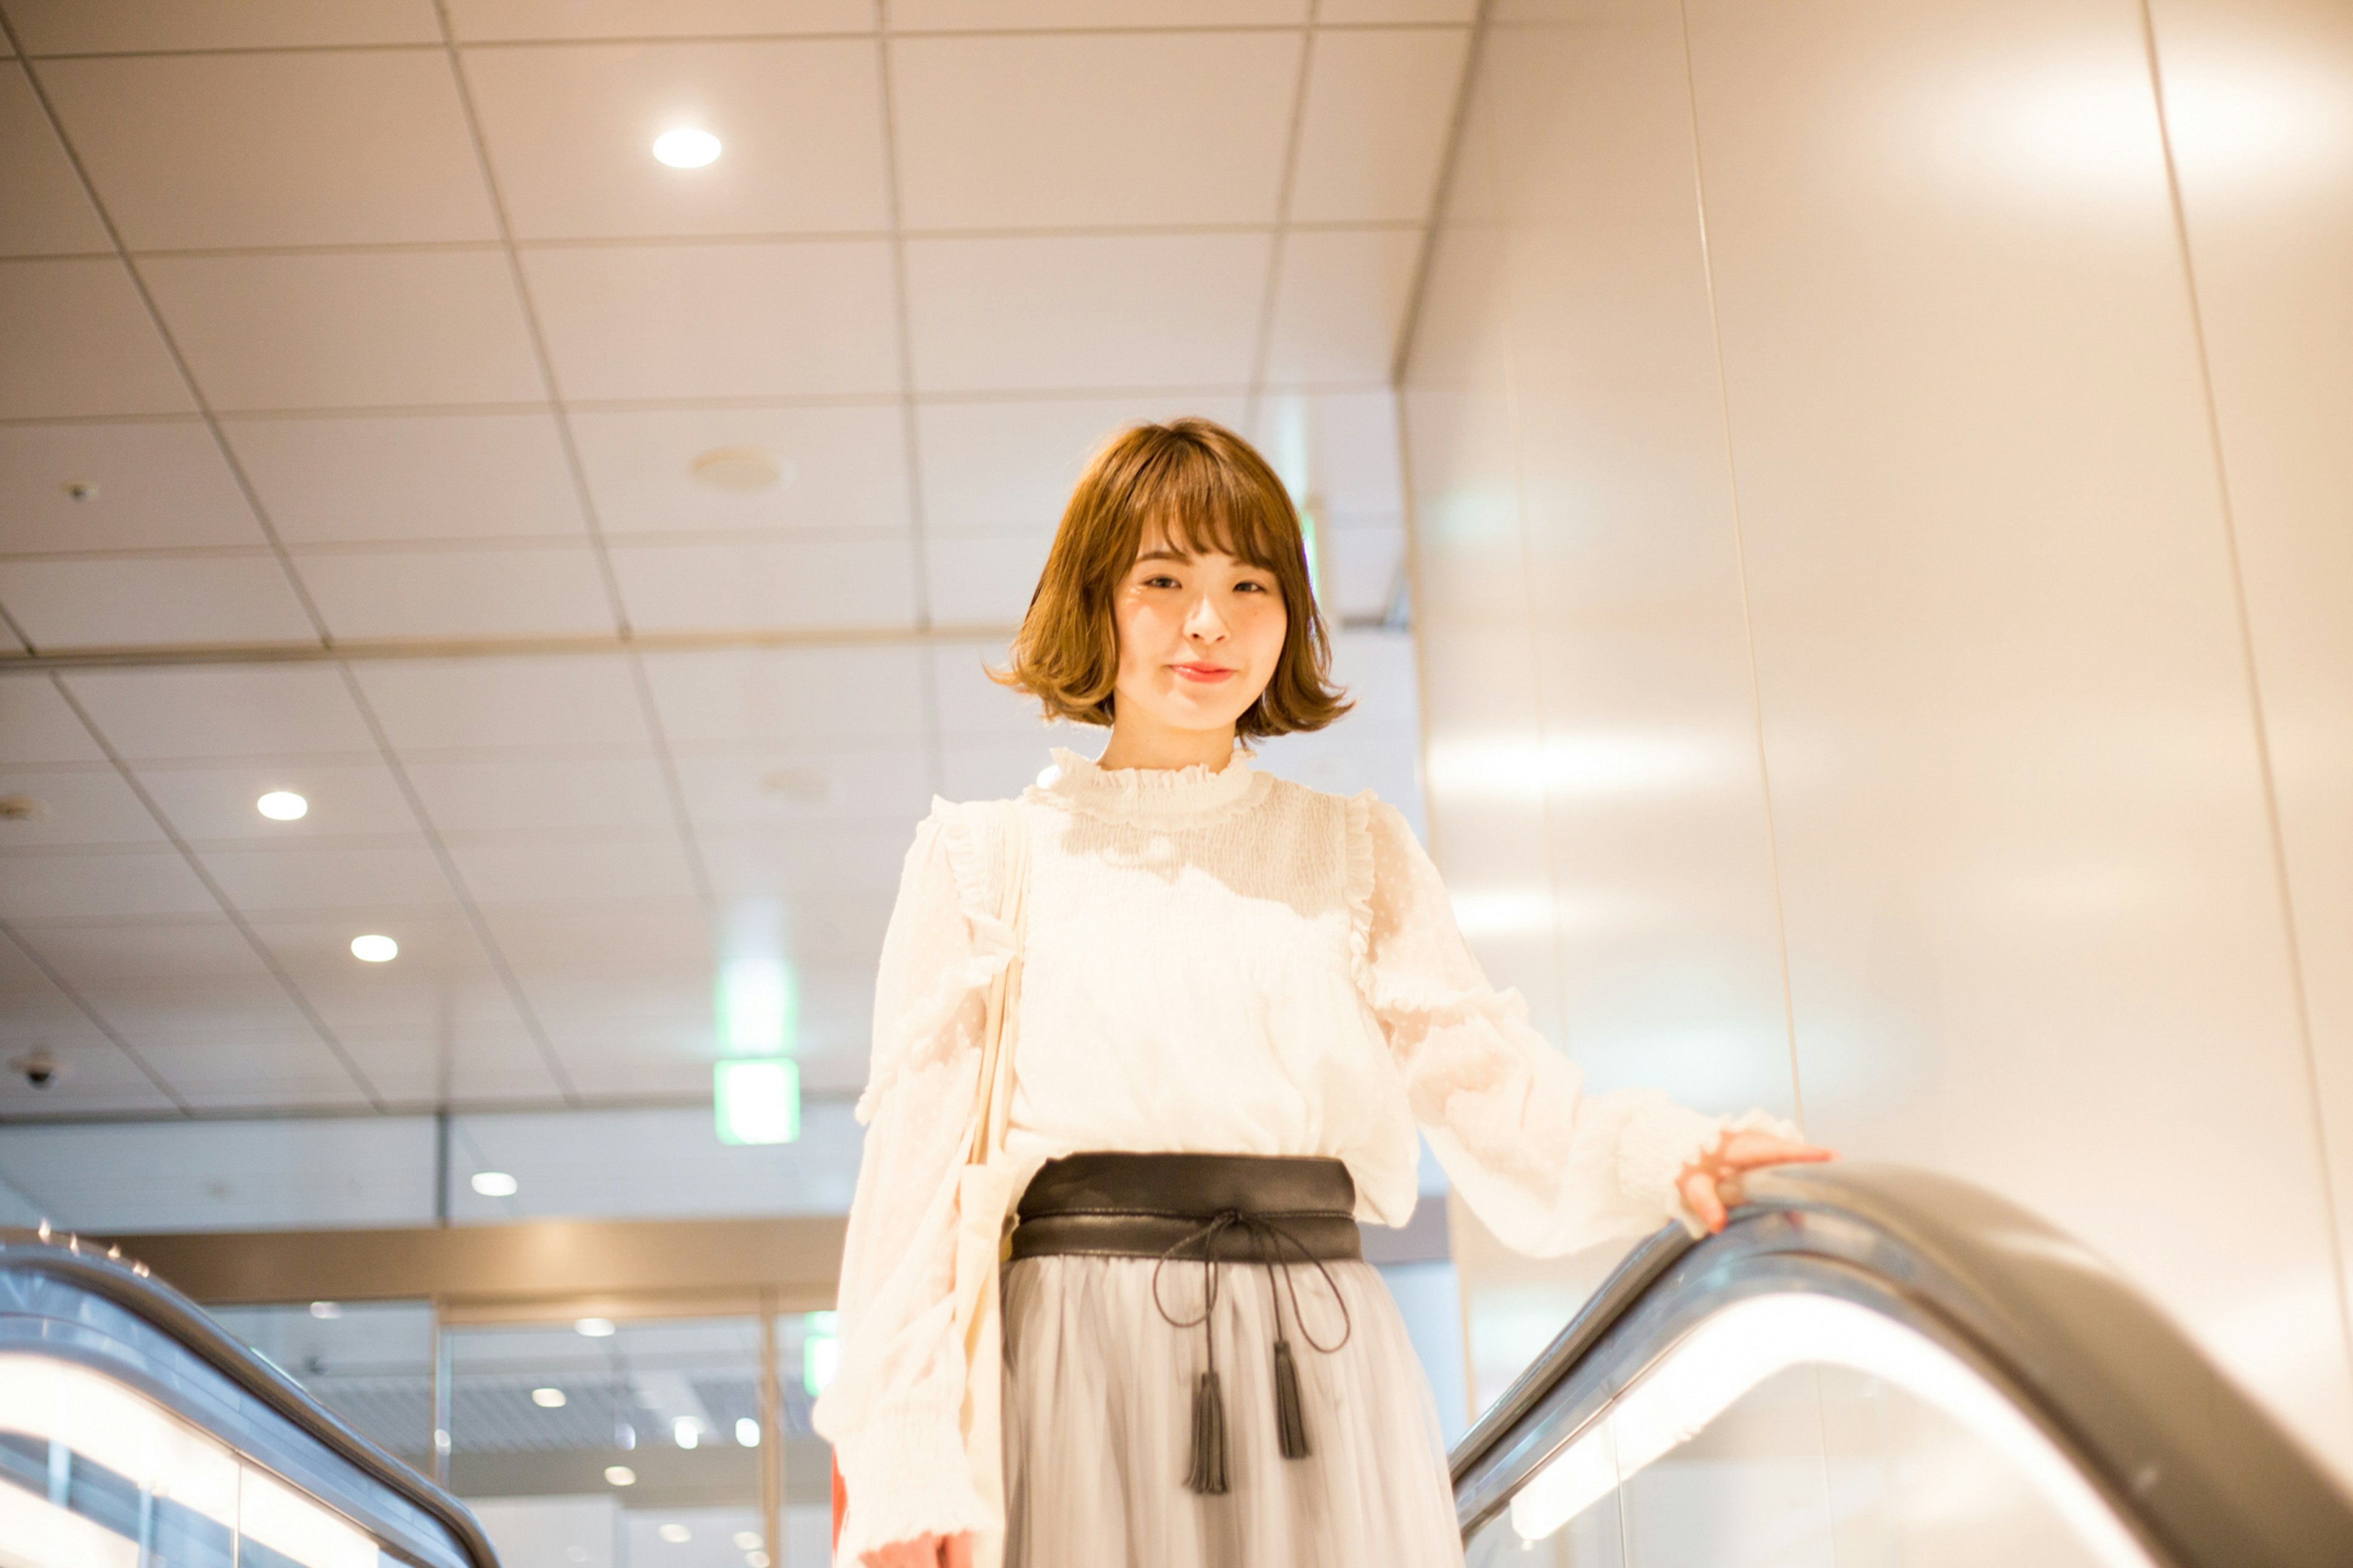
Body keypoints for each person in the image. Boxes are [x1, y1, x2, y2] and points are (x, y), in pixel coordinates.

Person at [813, 418, 1832, 1568]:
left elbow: (1492, 1092)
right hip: (1074, 1370)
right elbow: (909, 1201)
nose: (1209, 622)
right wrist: (904, 1475)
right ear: (1093, 599)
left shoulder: (1354, 852)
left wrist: (1668, 1155)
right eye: (1164, 579)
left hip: (1322, 1363)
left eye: (1249, 583)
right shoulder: (984, 862)